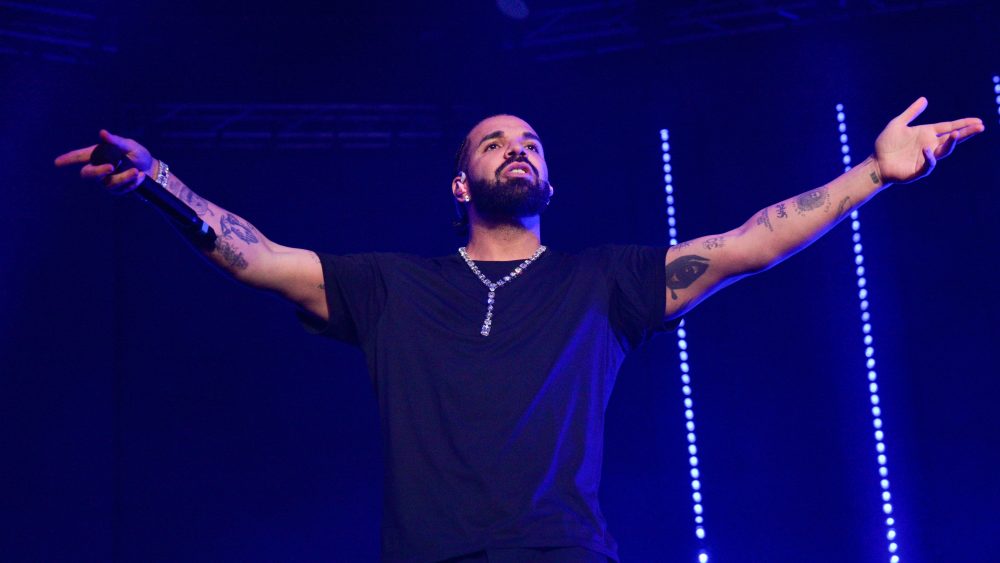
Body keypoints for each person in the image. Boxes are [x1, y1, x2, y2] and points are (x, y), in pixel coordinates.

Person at [55, 100, 982, 562]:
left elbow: (751, 243)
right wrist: (159, 181)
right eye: (494, 142)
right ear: (462, 183)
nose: (518, 149)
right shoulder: (392, 288)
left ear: (549, 181)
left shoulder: (602, 283)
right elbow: (256, 255)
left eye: (531, 143)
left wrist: (871, 171)